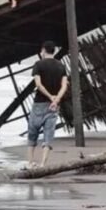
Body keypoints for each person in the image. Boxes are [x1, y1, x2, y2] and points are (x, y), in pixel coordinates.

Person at [26, 40, 68, 168]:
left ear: (43, 50)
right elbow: (64, 86)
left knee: (32, 133)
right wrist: (56, 100)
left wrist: (50, 96)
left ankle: (30, 163)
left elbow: (38, 85)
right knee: (48, 134)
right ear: (54, 51)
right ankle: (43, 164)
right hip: (54, 106)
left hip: (39, 103)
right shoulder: (61, 66)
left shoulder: (38, 65)